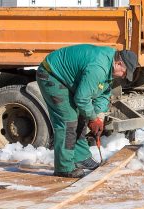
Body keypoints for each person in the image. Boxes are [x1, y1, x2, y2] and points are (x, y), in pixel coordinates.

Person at [36, 44, 137, 178]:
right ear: (119, 63)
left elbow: (103, 93)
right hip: (52, 76)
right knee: (68, 121)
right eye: (125, 72)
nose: (124, 76)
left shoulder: (109, 65)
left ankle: (81, 157)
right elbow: (82, 99)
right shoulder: (99, 68)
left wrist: (98, 118)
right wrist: (93, 118)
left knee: (81, 118)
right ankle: (64, 168)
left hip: (68, 81)